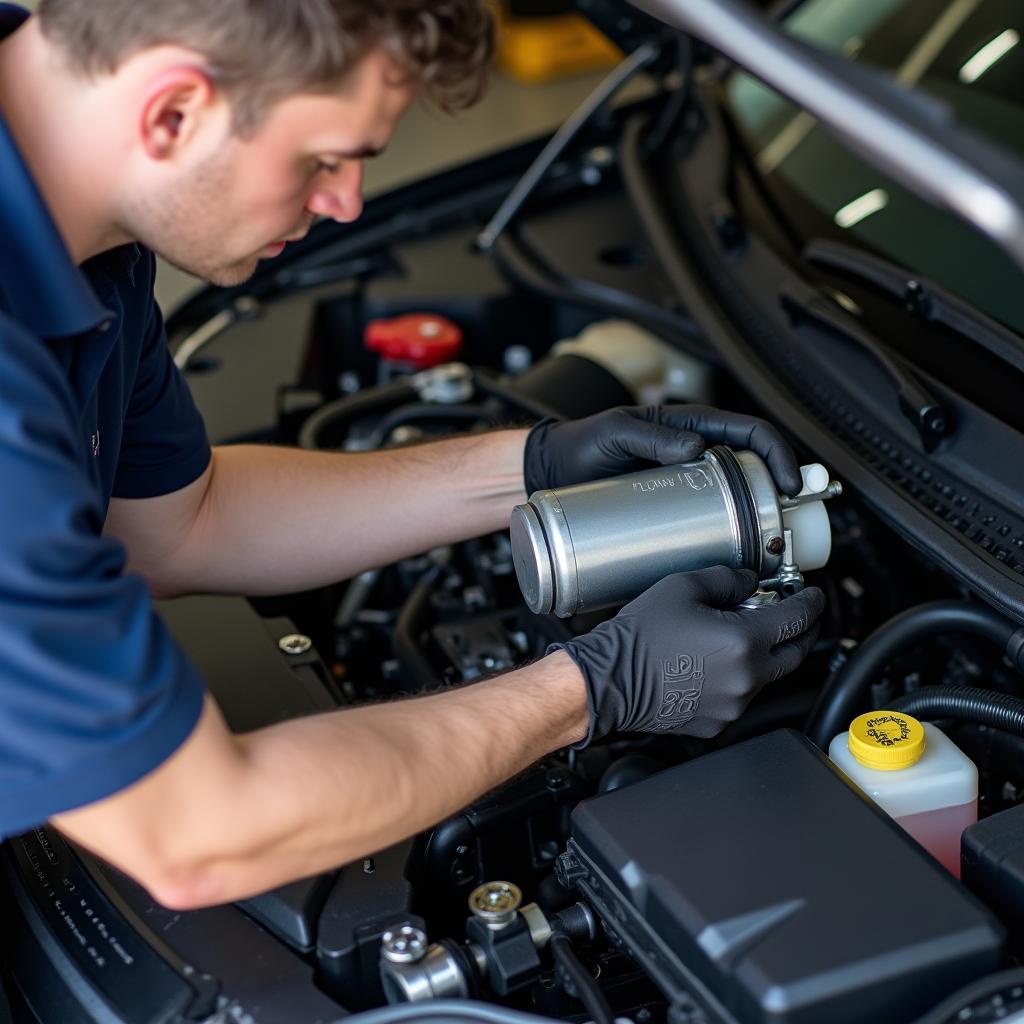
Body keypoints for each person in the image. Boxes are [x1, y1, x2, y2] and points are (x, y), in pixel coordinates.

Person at [0, 0, 824, 911]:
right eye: (322, 159)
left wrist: (534, 464)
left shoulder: (88, 238)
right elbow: (198, 835)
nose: (346, 203)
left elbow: (175, 527)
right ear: (172, 113)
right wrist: (596, 685)